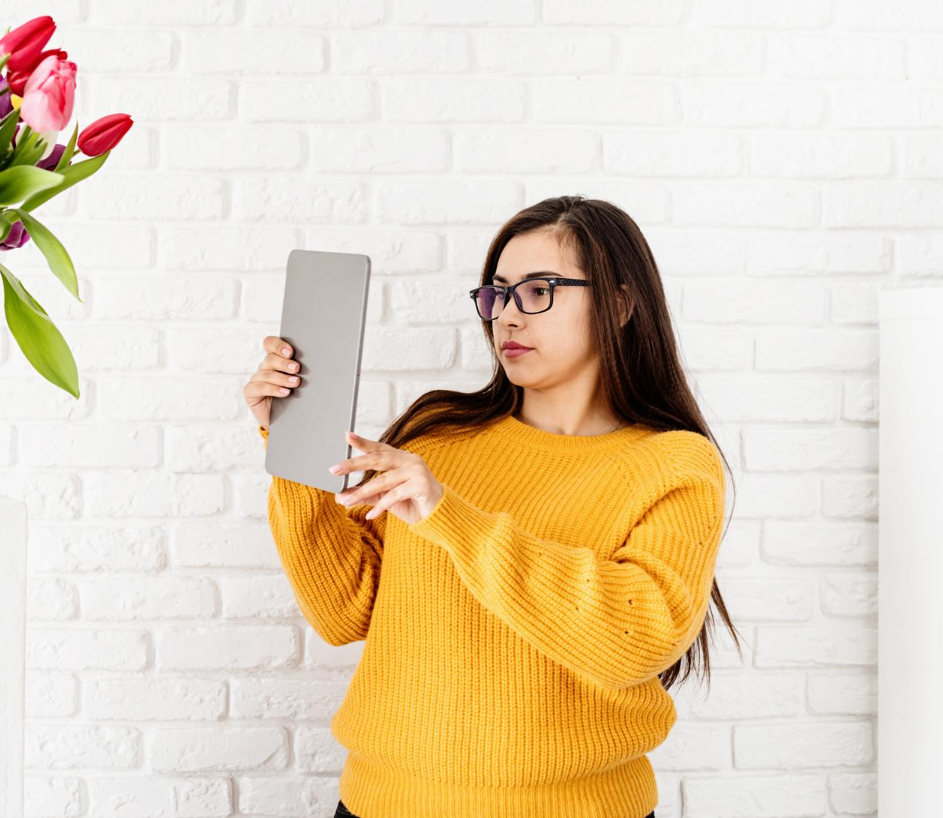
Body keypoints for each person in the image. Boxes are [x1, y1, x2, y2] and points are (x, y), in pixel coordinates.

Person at [244, 196, 742, 818]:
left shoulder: (672, 464)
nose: (507, 316)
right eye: (497, 294)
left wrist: (448, 515)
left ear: (619, 304)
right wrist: (290, 446)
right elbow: (344, 611)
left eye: (538, 290)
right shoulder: (437, 435)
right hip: (382, 804)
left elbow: (635, 639)